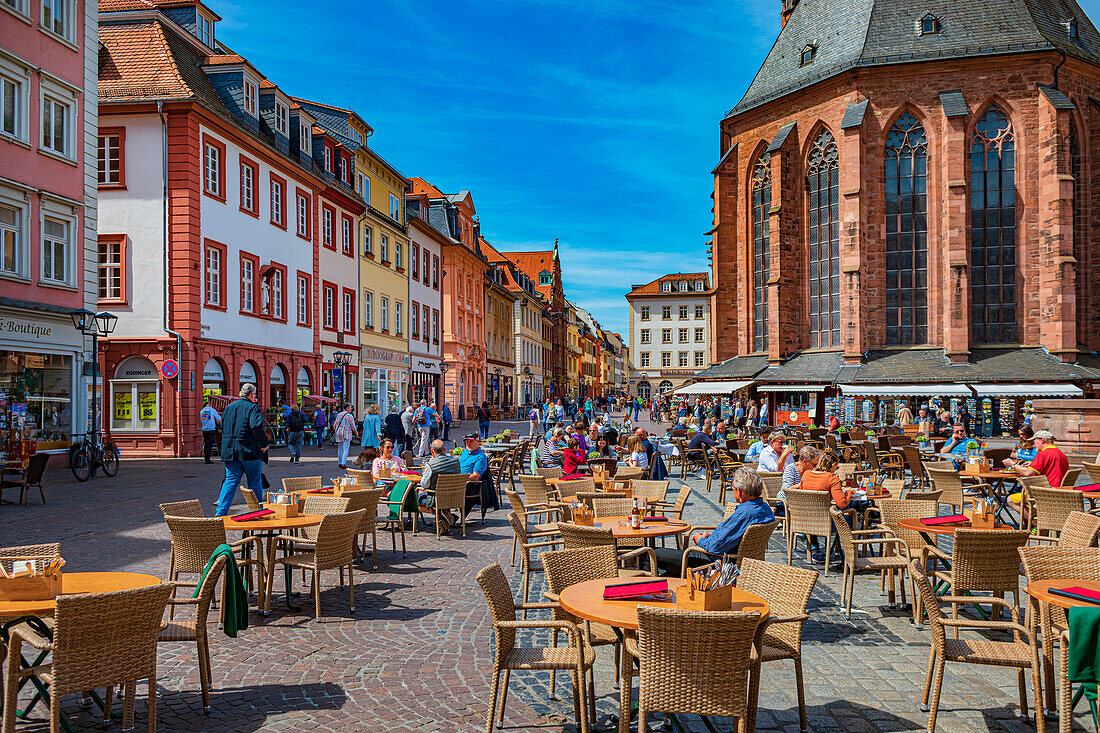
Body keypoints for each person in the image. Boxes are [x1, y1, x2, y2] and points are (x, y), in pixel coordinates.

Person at [654, 468, 775, 575]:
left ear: (739, 492)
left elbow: (714, 547)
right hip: (737, 559)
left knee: (651, 554)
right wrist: (710, 536)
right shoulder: (764, 509)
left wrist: (700, 540)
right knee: (669, 569)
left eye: (733, 488)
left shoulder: (745, 513)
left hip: (715, 562)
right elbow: (734, 535)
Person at [215, 384, 268, 516]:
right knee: (255, 482)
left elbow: (221, 425)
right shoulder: (252, 407)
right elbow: (256, 427)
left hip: (230, 452)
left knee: (230, 482)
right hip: (249, 451)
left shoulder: (229, 407)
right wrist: (264, 443)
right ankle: (256, 511)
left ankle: (220, 513)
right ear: (252, 395)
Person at [419, 439, 461, 523]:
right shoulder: (456, 461)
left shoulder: (431, 465)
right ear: (444, 450)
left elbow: (424, 485)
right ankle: (445, 515)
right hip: (454, 496)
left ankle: (440, 516)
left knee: (415, 501)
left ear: (432, 451)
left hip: (436, 498)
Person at [778, 445, 819, 514]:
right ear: (805, 461)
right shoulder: (791, 468)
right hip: (784, 503)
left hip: (802, 502)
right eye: (814, 464)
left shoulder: (810, 470)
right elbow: (787, 489)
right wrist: (805, 483)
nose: (815, 467)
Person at [332, 402, 358, 469]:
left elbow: (334, 425)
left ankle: (340, 463)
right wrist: (356, 432)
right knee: (346, 449)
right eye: (350, 407)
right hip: (346, 433)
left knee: (340, 448)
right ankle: (343, 463)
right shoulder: (349, 416)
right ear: (347, 408)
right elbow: (353, 425)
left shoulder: (339, 414)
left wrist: (336, 430)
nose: (351, 409)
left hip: (339, 432)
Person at [199, 398, 221, 464]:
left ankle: (206, 458)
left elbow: (202, 420)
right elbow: (219, 418)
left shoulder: (201, 411)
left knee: (206, 443)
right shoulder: (212, 410)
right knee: (210, 443)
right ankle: (208, 459)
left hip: (204, 429)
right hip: (211, 428)